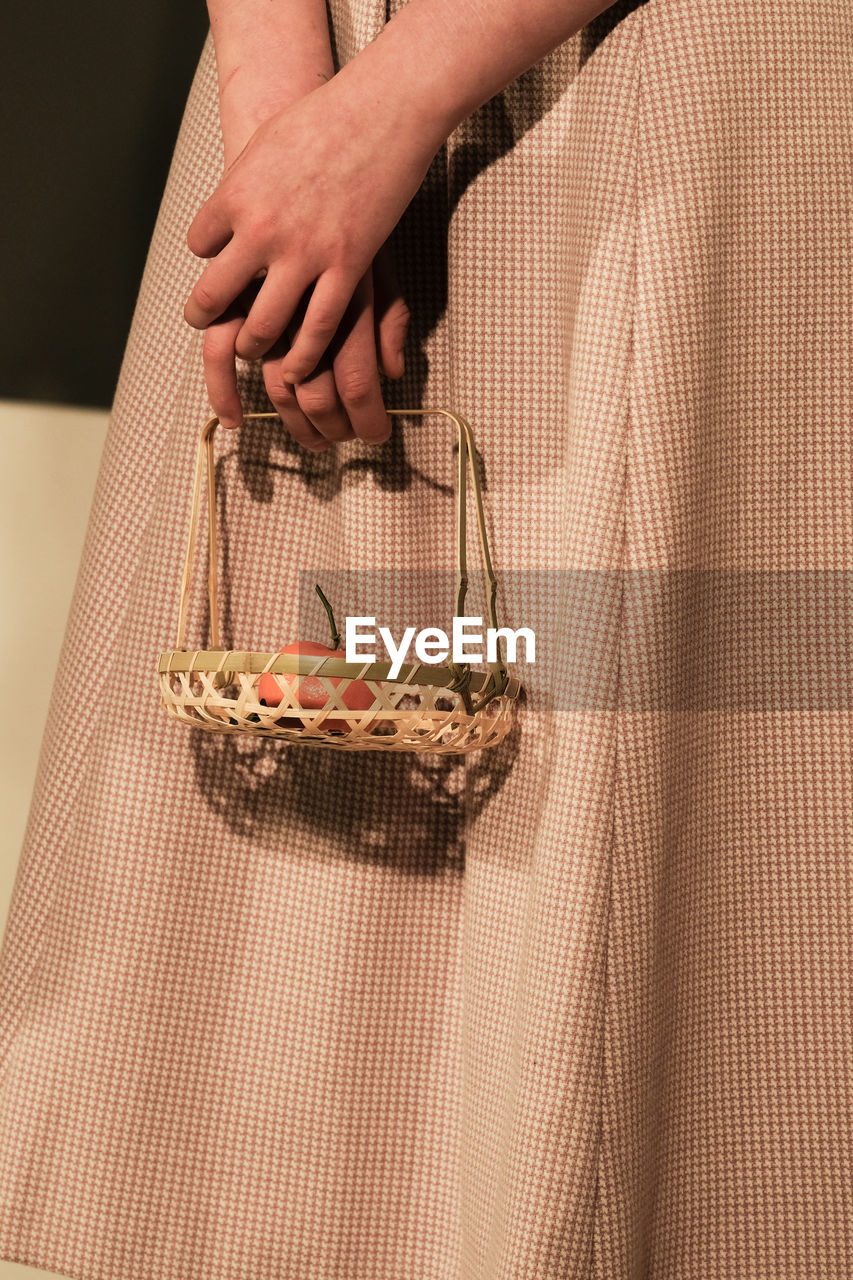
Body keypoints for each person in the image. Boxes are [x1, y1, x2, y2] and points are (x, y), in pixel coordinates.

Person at [1, 0, 852, 1277]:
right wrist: (289, 106)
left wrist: (386, 106)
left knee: (650, 954)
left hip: (666, 86)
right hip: (313, 108)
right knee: (301, 1033)